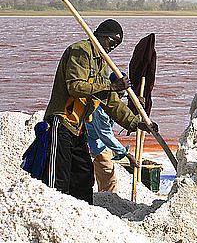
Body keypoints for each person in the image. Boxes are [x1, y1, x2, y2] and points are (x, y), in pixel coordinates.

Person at [42, 19, 156, 204]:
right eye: (112, 42)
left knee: (84, 176)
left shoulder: (102, 63)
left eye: (116, 45)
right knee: (59, 175)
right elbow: (75, 86)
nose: (112, 48)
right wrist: (111, 86)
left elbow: (110, 103)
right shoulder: (81, 51)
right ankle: (54, 208)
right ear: (101, 36)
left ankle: (82, 211)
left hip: (78, 127)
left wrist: (136, 123)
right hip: (62, 121)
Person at [86, 72, 138, 193]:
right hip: (95, 145)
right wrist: (126, 153)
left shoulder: (115, 96)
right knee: (109, 180)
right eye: (119, 94)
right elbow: (105, 134)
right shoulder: (100, 109)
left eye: (123, 94)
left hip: (101, 144)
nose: (121, 97)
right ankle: (106, 203)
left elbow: (120, 109)